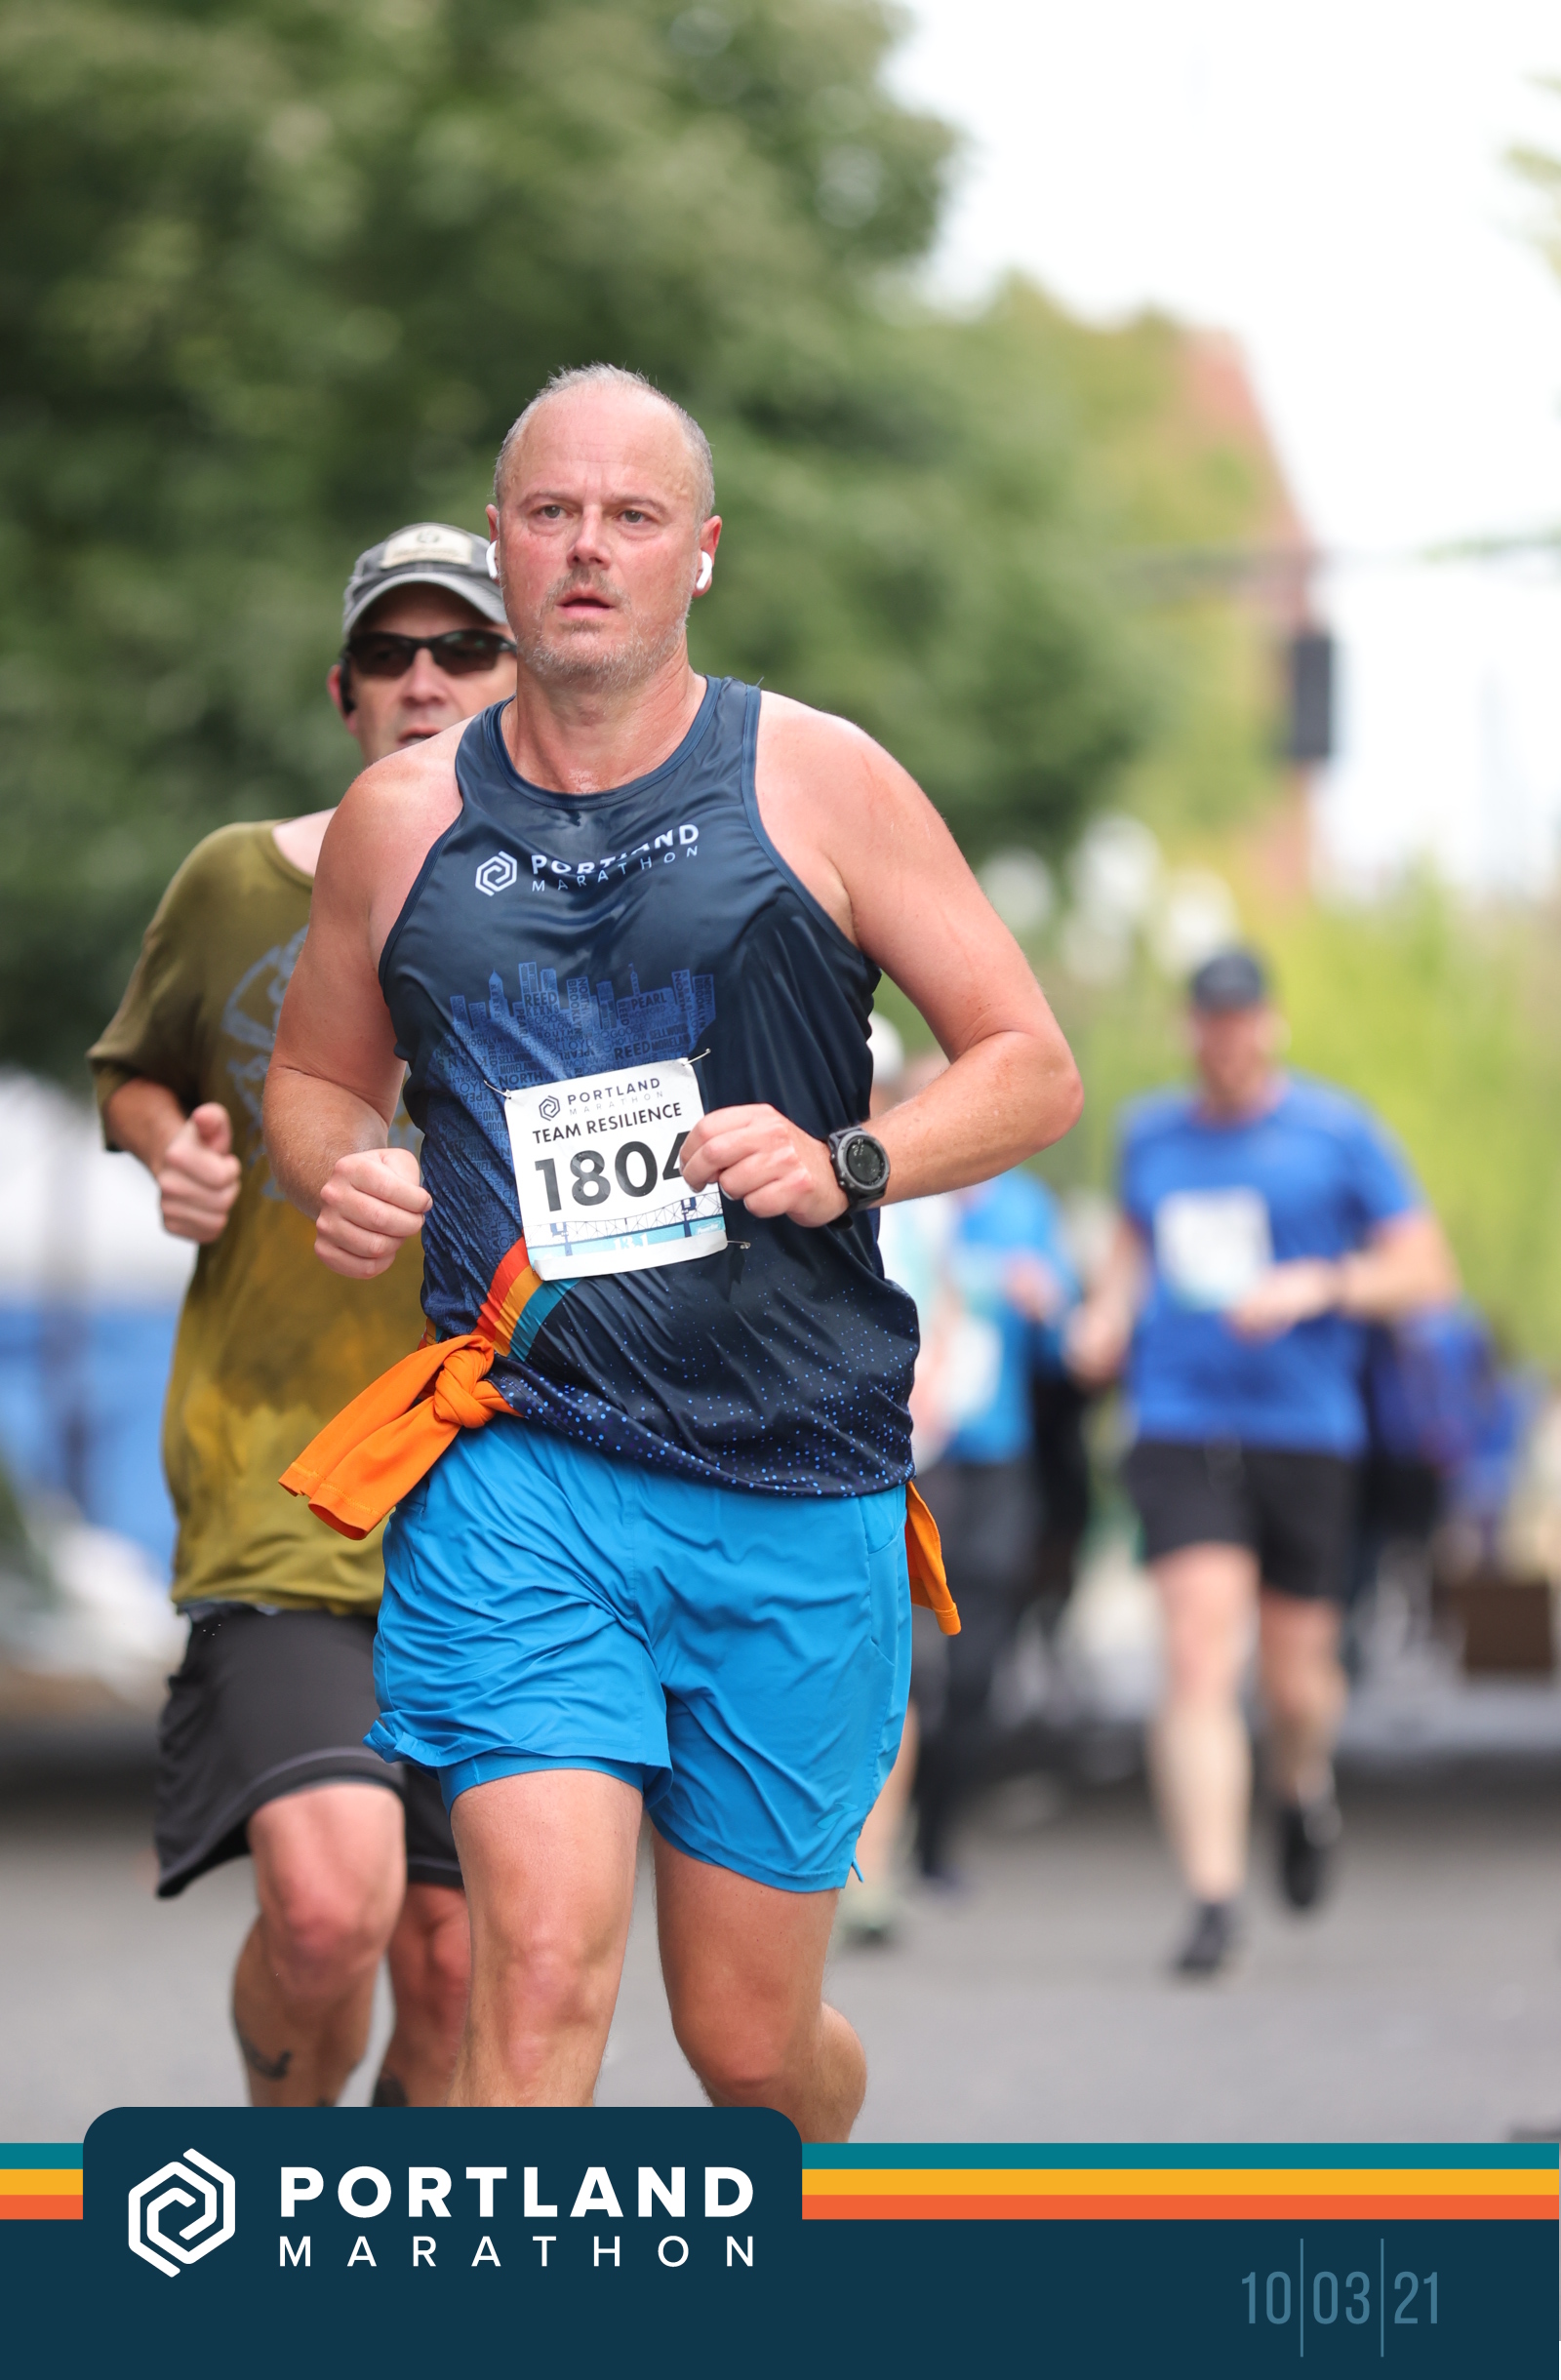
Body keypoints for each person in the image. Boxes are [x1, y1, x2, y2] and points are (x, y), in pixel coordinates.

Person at [261, 364, 1083, 2135]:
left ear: (699, 551)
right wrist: (346, 1167)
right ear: (502, 540)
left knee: (750, 2050)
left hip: (797, 1478)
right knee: (540, 1978)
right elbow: (317, 1080)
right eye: (553, 513)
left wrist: (851, 1158)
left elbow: (1032, 1068)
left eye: (631, 517)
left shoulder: (821, 778)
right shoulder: (403, 820)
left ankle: (808, 2202)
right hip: (525, 1464)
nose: (588, 550)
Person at [88, 522, 517, 2103]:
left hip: (503, 1480)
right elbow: (135, 1072)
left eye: (462, 648)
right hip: (281, 1465)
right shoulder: (236, 880)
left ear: (522, 674)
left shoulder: (591, 896)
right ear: (345, 693)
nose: (425, 680)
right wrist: (173, 1148)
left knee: (456, 1961)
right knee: (334, 1911)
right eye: (390, 655)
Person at [1068, 947, 1458, 1976]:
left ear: (1269, 1026)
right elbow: (1131, 1253)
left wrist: (1318, 1285)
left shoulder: (1337, 1132)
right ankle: (1212, 1896)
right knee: (1198, 1651)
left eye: (1242, 1022)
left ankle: (1300, 1785)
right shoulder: (1150, 1133)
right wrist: (1104, 1316)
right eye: (1210, 1022)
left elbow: (1426, 1270)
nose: (1226, 1041)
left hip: (1304, 1431)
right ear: (1189, 1029)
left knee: (1296, 1682)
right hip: (1179, 1421)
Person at [870, 1052, 1080, 1890]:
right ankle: (881, 1847)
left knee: (976, 1658)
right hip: (909, 1458)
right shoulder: (889, 1195)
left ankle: (937, 1833)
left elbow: (1069, 1343)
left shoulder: (1024, 1208)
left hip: (996, 1456)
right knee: (906, 1656)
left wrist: (1051, 1304)